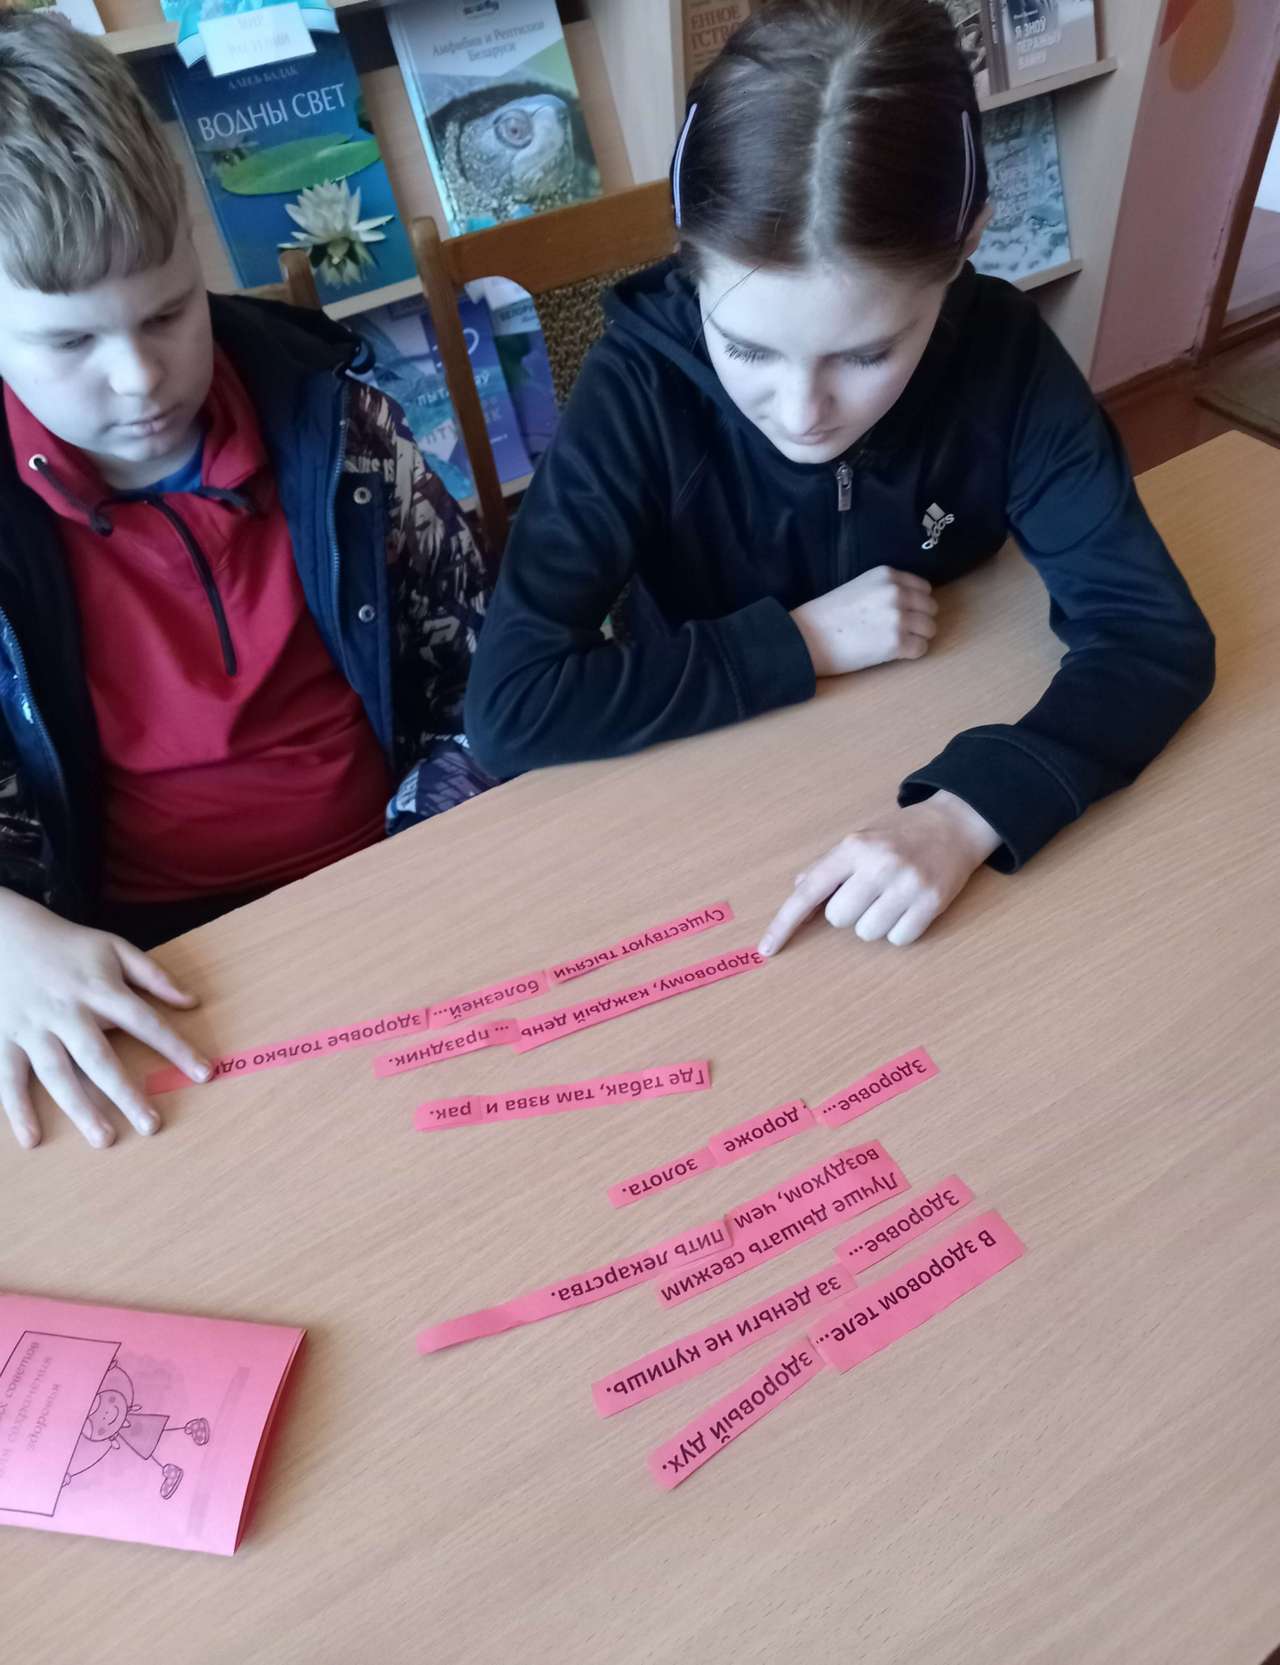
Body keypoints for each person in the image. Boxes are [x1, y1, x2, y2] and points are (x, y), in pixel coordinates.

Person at [465, 0, 1214, 958]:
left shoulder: (1005, 359)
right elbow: (511, 705)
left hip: (914, 739)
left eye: (865, 354)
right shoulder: (638, 387)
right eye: (747, 348)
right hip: (701, 789)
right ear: (689, 252)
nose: (801, 411)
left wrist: (967, 810)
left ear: (965, 247)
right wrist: (803, 642)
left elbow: (1151, 633)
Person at [0, 13, 491, 1151]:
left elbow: (477, 670)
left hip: (398, 872)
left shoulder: (345, 427)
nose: (138, 379)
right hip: (134, 958)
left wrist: (429, 856)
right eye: (68, 344)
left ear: (201, 262)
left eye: (169, 313)